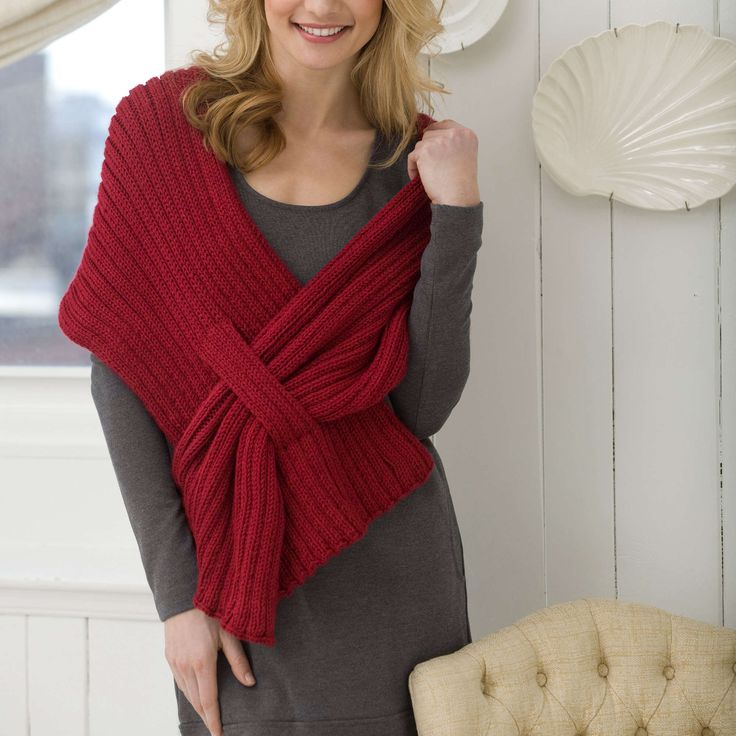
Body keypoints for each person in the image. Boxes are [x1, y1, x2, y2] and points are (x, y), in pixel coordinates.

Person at [88, 1, 484, 734]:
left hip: (392, 572)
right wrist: (179, 597)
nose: (324, 6)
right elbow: (121, 377)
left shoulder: (413, 168)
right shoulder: (161, 130)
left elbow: (420, 409)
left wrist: (457, 215)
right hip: (236, 581)